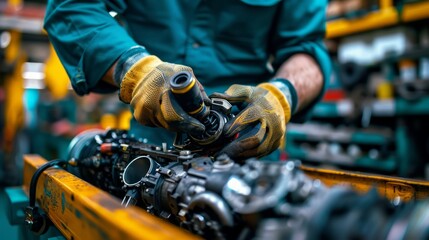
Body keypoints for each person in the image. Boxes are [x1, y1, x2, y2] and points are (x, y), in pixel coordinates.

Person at [44, 0, 331, 160]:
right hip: (151, 148)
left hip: (248, 148)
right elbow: (71, 7)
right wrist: (136, 69)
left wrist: (280, 95)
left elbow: (307, 48)